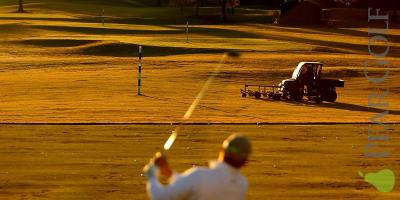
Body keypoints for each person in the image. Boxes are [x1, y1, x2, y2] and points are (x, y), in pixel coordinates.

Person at [142, 134, 252, 200]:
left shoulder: (200, 175)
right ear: (245, 161)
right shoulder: (242, 183)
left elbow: (162, 197)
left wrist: (151, 176)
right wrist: (170, 174)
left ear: (222, 151)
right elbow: (190, 186)